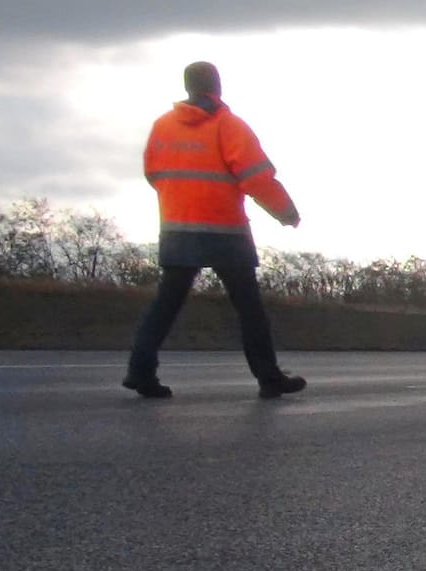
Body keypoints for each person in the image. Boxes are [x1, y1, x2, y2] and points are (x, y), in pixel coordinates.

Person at [123, 61, 307, 399]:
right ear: (217, 86)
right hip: (225, 229)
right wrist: (286, 212)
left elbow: (153, 173)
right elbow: (256, 178)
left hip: (178, 227)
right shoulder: (229, 126)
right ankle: (268, 377)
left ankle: (140, 371)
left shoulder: (162, 127)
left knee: (166, 303)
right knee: (249, 307)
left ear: (187, 86)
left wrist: (180, 201)